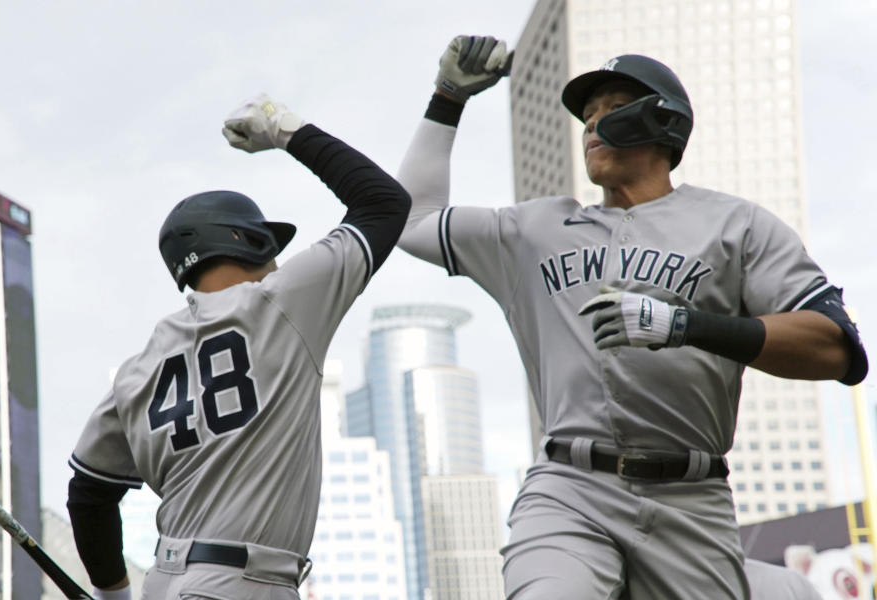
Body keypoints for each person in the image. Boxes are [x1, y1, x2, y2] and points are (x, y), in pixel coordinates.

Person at [396, 36, 868, 599]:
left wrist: (685, 325)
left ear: (664, 123)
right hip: (570, 486)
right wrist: (448, 97)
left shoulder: (736, 224)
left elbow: (834, 348)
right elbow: (411, 219)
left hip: (691, 500)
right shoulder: (534, 230)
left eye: (612, 109)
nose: (592, 126)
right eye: (587, 117)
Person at [66, 94, 410, 599]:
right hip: (242, 582)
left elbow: (89, 494)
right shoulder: (281, 301)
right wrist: (286, 130)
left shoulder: (137, 369)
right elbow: (385, 202)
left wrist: (113, 595)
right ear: (246, 242)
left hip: (167, 581)